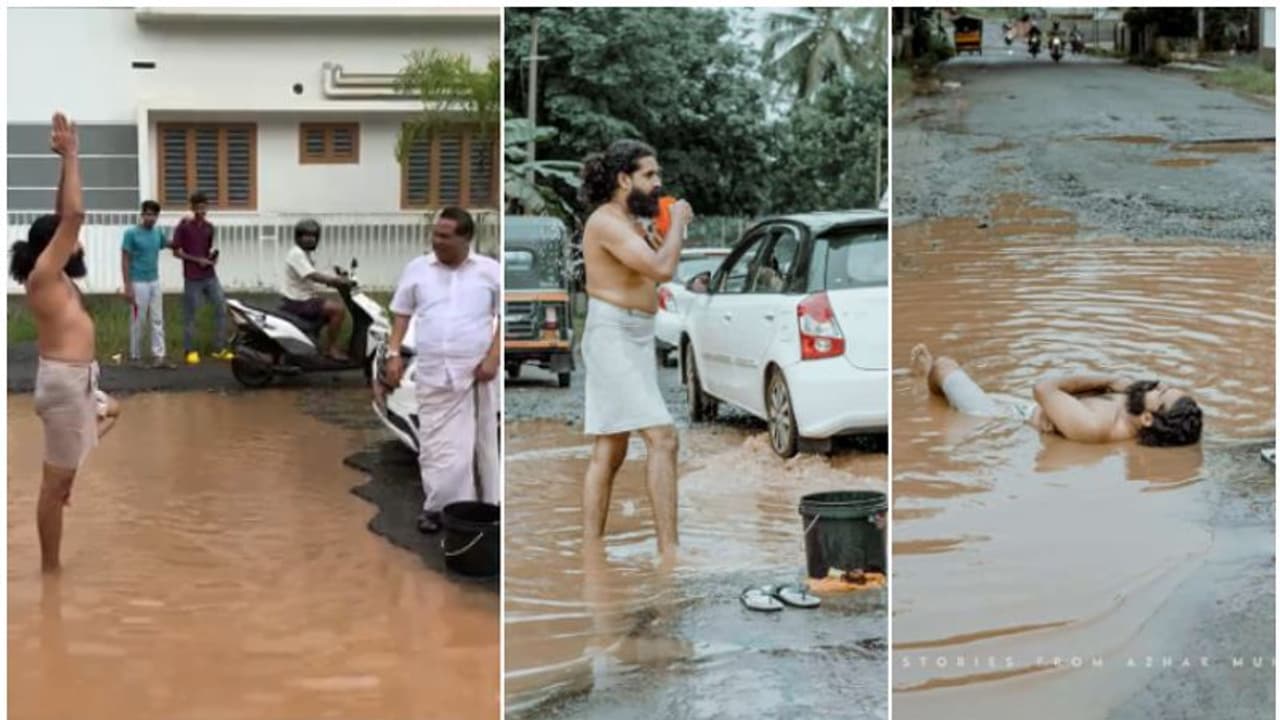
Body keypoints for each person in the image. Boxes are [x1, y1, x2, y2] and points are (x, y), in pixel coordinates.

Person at [8, 112, 122, 573]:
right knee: (51, 490)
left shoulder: (56, 277)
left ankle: (67, 472)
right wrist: (73, 156)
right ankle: (50, 572)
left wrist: (61, 164)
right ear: (55, 246)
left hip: (77, 383)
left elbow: (64, 216)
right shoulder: (44, 276)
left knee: (113, 410)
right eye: (70, 239)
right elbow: (73, 215)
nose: (78, 241)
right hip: (63, 384)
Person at [577, 139, 691, 558]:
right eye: (650, 175)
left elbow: (656, 270)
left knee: (611, 446)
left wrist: (667, 229)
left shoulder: (632, 221)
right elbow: (663, 268)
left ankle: (591, 553)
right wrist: (677, 220)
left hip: (638, 335)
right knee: (663, 437)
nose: (659, 184)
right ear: (624, 179)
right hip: (612, 335)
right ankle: (670, 552)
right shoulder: (606, 222)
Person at [380, 207, 500, 533]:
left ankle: (485, 510)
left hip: (478, 374)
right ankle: (437, 508)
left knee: (479, 446)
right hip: (433, 372)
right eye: (435, 234)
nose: (437, 241)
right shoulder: (417, 269)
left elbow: (505, 318)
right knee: (436, 447)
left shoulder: (490, 271)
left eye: (445, 236)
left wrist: (493, 358)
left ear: (466, 238)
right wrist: (393, 353)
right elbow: (402, 315)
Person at [911, 344, 1202, 447]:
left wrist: (1109, 380)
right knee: (958, 388)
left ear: (1149, 418)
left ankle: (925, 379)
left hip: (998, 419)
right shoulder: (1132, 407)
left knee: (945, 365)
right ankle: (939, 388)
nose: (1157, 384)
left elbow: (1043, 389)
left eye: (1160, 392)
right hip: (1024, 410)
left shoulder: (1095, 427)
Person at [171, 192, 232, 364]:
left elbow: (208, 250)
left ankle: (219, 348)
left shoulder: (209, 227)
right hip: (192, 277)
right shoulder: (183, 227)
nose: (201, 209)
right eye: (197, 206)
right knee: (191, 314)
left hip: (209, 275)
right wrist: (197, 260)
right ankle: (190, 350)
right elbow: (176, 252)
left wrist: (212, 258)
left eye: (204, 206)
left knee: (221, 308)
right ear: (192, 207)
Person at [281, 218, 352, 360]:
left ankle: (314, 343)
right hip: (298, 301)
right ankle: (331, 349)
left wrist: (336, 276)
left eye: (313, 236)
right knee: (338, 310)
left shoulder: (304, 254)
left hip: (304, 299)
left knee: (327, 307)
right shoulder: (297, 254)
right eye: (306, 236)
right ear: (298, 237)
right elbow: (312, 275)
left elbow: (316, 273)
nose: (310, 240)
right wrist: (335, 281)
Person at [120, 199, 172, 368]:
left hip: (154, 281)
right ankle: (135, 356)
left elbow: (171, 244)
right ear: (142, 215)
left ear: (157, 217)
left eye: (154, 215)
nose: (150, 218)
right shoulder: (131, 234)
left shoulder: (157, 233)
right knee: (138, 319)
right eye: (147, 214)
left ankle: (159, 356)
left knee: (157, 319)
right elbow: (125, 259)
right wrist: (127, 285)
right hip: (138, 282)